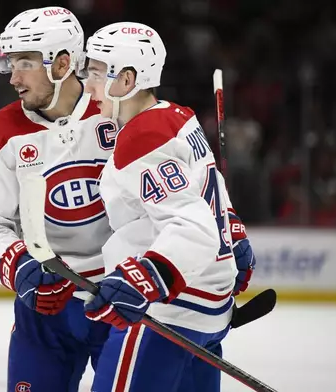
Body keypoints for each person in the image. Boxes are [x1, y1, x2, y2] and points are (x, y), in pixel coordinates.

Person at [80, 22, 256, 391]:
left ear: (126, 80)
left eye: (95, 72)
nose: (87, 84)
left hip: (168, 316)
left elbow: (191, 226)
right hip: (210, 311)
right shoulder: (178, 117)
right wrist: (234, 234)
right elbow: (207, 191)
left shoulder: (141, 137)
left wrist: (145, 279)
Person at [0, 6, 118, 392]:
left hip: (120, 300)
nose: (13, 78)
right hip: (46, 307)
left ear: (63, 63)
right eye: (10, 63)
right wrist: (20, 268)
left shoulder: (119, 114)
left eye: (25, 63)